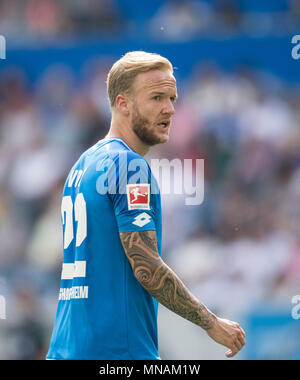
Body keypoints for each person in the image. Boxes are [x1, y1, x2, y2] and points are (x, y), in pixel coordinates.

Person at [46, 51, 245, 360]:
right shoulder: (128, 165)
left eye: (172, 98)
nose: (170, 109)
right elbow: (147, 268)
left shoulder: (83, 165)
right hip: (117, 352)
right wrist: (211, 322)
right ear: (122, 103)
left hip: (67, 350)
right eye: (156, 98)